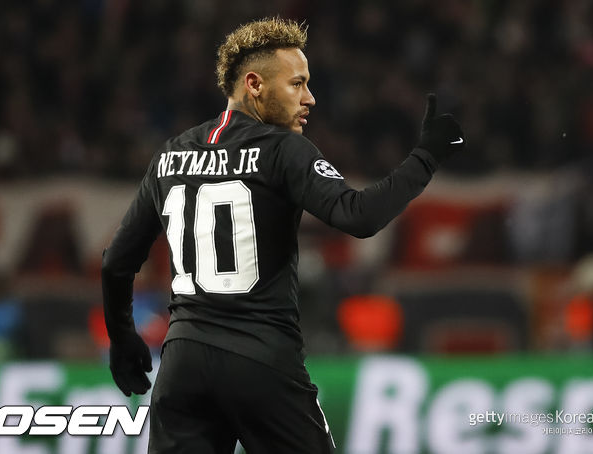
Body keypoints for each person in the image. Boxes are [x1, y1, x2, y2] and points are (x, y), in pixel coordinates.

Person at [101, 17, 464, 454]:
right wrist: (426, 156)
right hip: (261, 362)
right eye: (297, 84)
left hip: (182, 363)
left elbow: (116, 261)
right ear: (254, 84)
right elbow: (359, 216)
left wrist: (122, 338)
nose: (310, 98)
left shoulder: (171, 155)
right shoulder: (282, 150)